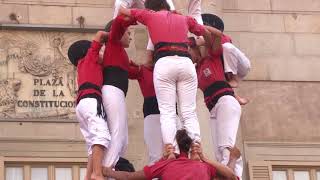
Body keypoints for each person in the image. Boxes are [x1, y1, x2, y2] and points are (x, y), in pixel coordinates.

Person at [119, 0, 212, 159]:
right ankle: (196, 149)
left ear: (151, 8)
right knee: (189, 112)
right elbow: (205, 33)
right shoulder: (183, 18)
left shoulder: (150, 16)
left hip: (164, 63)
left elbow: (123, 10)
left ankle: (171, 151)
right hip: (185, 63)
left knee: (167, 111)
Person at [190, 14, 244, 178]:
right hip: (214, 107)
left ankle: (235, 174)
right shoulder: (196, 68)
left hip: (226, 102)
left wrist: (198, 29)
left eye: (189, 50)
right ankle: (228, 174)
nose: (188, 55)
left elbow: (218, 36)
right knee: (219, 152)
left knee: (225, 148)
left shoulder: (213, 55)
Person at [102, 129, 239, 180]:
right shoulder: (206, 168)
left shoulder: (166, 165)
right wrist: (206, 158)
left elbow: (128, 176)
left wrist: (104, 170)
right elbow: (231, 175)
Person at [68, 31, 111, 180]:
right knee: (102, 135)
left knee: (92, 144)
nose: (101, 53)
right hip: (91, 100)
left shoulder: (82, 66)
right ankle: (97, 173)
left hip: (82, 104)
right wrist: (112, 35)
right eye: (99, 50)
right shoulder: (90, 58)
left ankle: (88, 176)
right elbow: (99, 35)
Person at [101, 15, 136, 170]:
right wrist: (133, 15)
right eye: (128, 33)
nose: (131, 37)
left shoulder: (121, 51)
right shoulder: (113, 43)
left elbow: (135, 72)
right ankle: (106, 170)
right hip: (112, 90)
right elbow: (117, 23)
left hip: (118, 93)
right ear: (119, 33)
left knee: (123, 139)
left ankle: (113, 168)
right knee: (116, 133)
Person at [202, 13, 251, 105]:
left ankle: (234, 78)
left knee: (227, 47)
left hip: (241, 66)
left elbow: (223, 45)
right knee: (220, 81)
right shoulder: (209, 47)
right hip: (228, 70)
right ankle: (237, 98)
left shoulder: (223, 38)